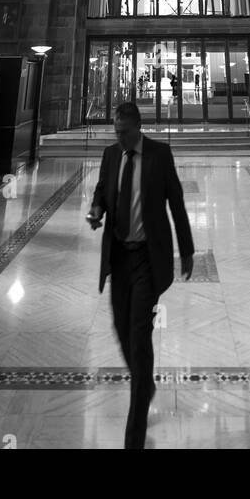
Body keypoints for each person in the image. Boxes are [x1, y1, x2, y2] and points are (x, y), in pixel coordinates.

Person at [87, 101, 194, 449]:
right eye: (115, 131)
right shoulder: (110, 154)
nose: (119, 137)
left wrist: (187, 249)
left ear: (137, 127)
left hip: (148, 258)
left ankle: (134, 435)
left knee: (139, 334)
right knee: (120, 327)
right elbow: (102, 189)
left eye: (124, 131)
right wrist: (96, 209)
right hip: (119, 257)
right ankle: (144, 383)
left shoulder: (159, 155)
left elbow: (176, 202)